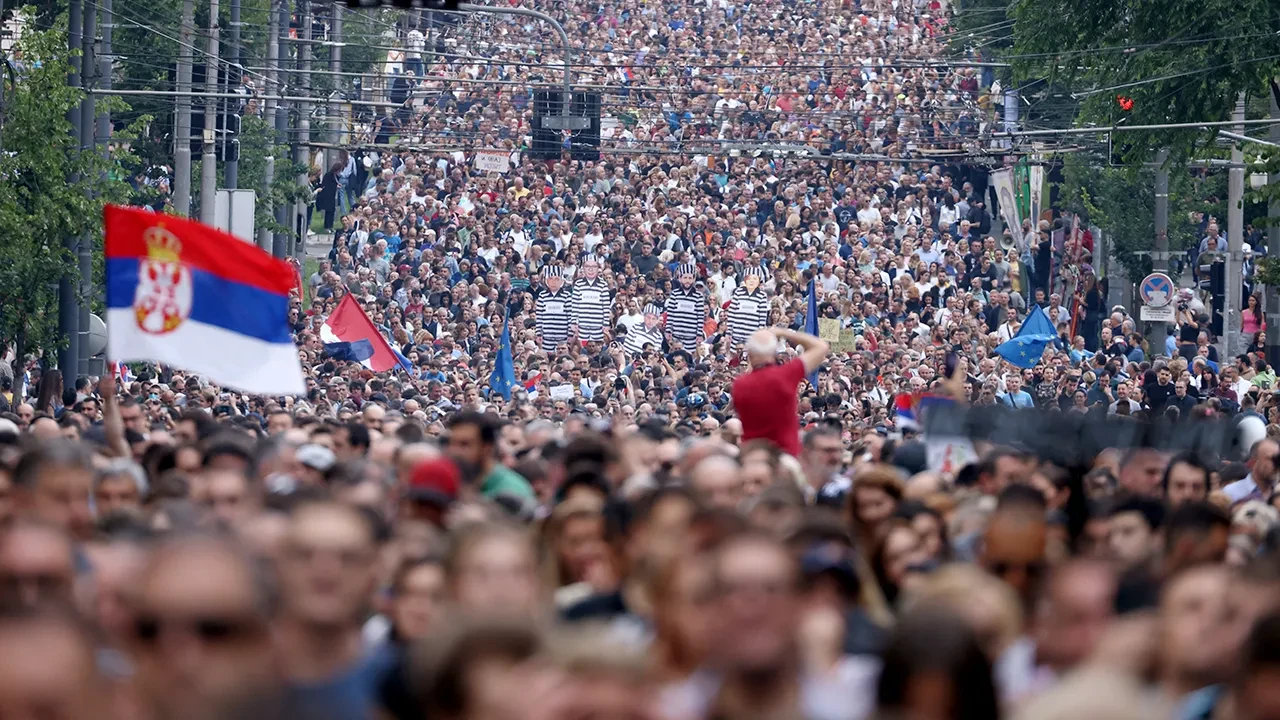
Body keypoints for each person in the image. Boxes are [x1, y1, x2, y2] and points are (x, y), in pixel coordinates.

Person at [731, 327, 830, 458]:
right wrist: (783, 332)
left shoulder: (739, 385)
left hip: (752, 455)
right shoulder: (785, 375)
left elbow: (751, 372)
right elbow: (821, 347)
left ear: (750, 355)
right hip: (785, 454)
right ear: (774, 353)